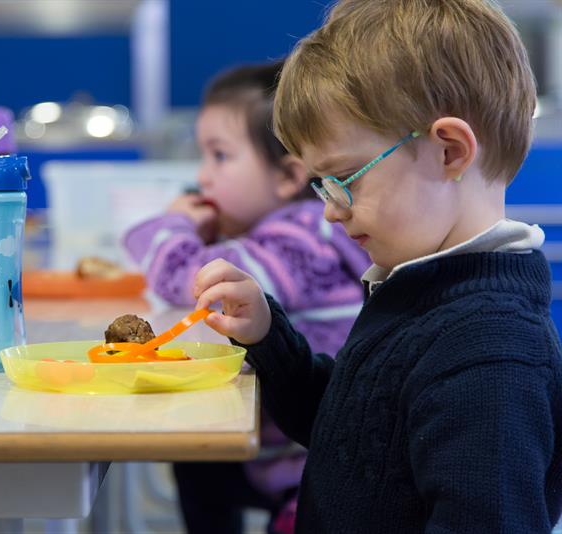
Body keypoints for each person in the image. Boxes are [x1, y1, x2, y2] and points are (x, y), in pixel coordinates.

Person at [192, 1, 562, 532]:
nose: (330, 209)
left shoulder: (489, 351)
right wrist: (270, 337)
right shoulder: (420, 289)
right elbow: (351, 431)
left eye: (346, 178)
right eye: (321, 184)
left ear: (450, 152)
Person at [123, 61, 370, 534]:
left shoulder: (304, 235)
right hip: (293, 445)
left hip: (314, 468)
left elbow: (194, 282)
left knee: (198, 461)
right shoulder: (299, 230)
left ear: (287, 177)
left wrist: (177, 223)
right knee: (198, 462)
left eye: (220, 156)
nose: (203, 176)